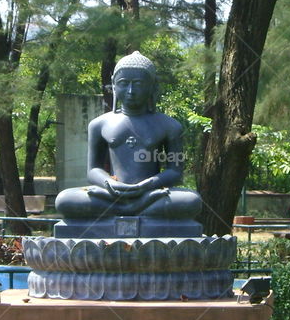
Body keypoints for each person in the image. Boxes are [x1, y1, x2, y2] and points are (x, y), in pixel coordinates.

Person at [53, 51, 201, 221]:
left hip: (152, 193)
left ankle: (126, 209)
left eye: (138, 84)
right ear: (114, 86)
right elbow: (93, 170)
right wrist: (110, 183)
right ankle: (135, 209)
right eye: (124, 83)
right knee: (64, 200)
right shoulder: (99, 124)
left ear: (152, 86)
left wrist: (148, 185)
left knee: (191, 201)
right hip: (112, 195)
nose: (131, 91)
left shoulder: (170, 125)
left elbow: (175, 171)